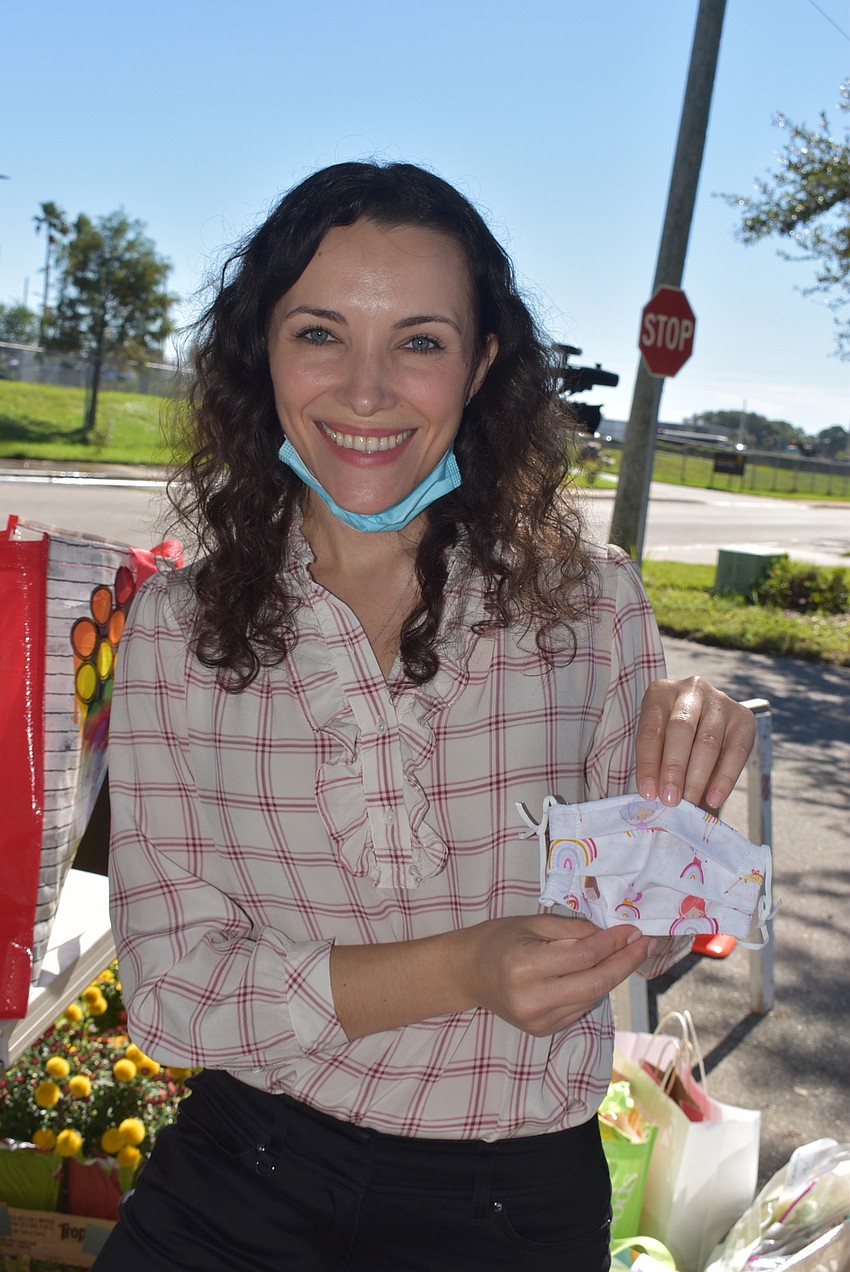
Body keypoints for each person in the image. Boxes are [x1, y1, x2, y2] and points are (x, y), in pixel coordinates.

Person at [95, 161, 755, 1272]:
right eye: (318, 334)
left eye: (418, 340)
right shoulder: (176, 623)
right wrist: (464, 968)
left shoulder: (589, 609)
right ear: (261, 354)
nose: (365, 391)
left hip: (509, 1207)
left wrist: (691, 766)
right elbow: (171, 999)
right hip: (239, 1174)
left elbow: (659, 919)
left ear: (481, 363)